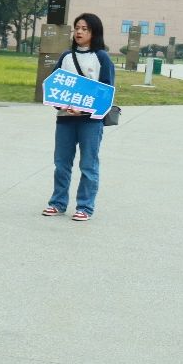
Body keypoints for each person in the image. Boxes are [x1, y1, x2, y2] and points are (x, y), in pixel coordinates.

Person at [43, 12, 115, 222]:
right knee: (61, 163)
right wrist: (62, 106)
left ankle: (85, 207)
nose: (79, 32)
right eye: (77, 28)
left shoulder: (101, 57)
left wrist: (84, 110)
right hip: (65, 119)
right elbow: (54, 86)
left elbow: (106, 92)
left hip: (90, 122)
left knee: (88, 165)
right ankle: (58, 203)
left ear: (94, 32)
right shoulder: (66, 56)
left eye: (85, 29)